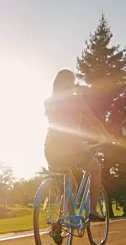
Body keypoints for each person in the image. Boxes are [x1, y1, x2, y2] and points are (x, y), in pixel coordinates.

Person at [44, 69, 114, 222]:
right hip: (71, 149)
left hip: (51, 150)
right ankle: (93, 210)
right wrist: (106, 135)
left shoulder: (49, 102)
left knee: (71, 187)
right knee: (95, 168)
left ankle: (62, 221)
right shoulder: (77, 100)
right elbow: (93, 121)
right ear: (71, 83)